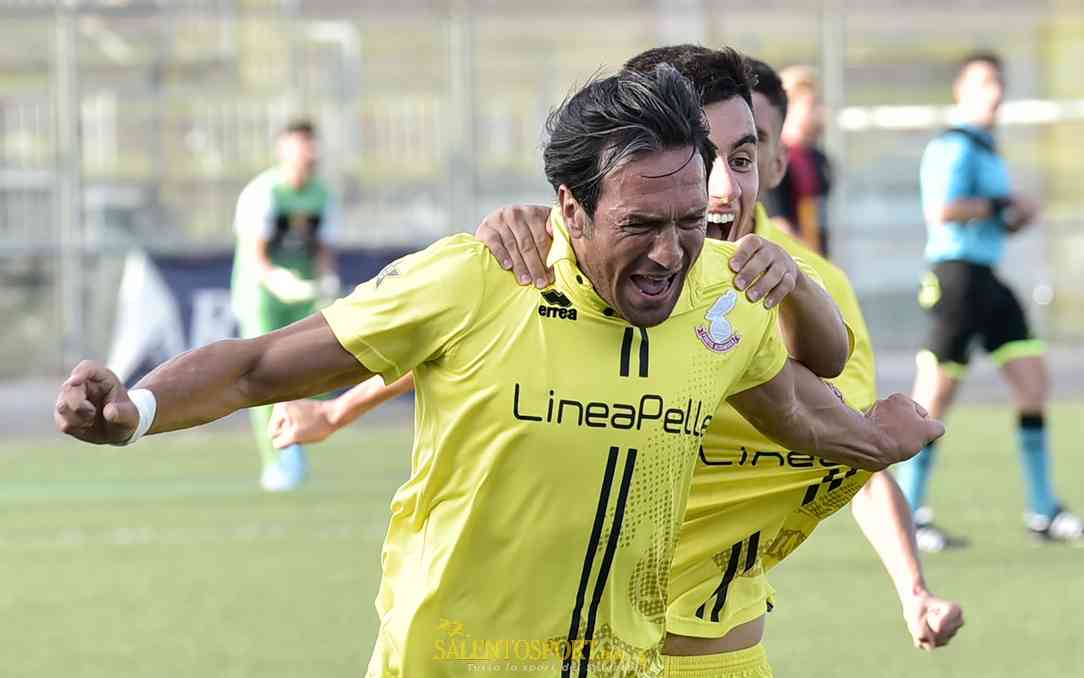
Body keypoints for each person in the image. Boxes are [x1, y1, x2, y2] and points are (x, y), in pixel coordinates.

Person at [55, 64, 943, 678]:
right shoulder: (477, 277)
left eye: (685, 219)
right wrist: (132, 408)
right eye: (641, 224)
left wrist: (878, 438)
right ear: (570, 207)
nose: (672, 252)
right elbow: (256, 368)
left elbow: (797, 411)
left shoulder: (720, 302)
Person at [896, 51, 1083, 551]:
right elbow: (943, 211)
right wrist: (1001, 205)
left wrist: (1017, 215)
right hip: (956, 280)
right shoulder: (952, 147)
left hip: (989, 281)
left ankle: (1043, 509)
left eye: (997, 82)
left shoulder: (988, 149)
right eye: (982, 83)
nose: (993, 92)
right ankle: (909, 511)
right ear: (960, 90)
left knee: (1032, 381)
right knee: (933, 397)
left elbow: (993, 217)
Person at [230, 118, 341, 492]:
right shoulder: (263, 193)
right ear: (282, 151)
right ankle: (279, 459)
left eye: (311, 145)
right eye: (298, 145)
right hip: (263, 296)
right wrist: (279, 280)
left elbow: (323, 250)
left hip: (302, 294)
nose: (307, 154)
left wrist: (325, 281)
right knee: (264, 378)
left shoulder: (322, 195)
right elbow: (256, 257)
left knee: (315, 369)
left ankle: (300, 430)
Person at [761, 65, 833, 257]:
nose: (820, 113)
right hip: (788, 258)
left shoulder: (818, 159)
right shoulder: (774, 160)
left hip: (816, 254)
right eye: (812, 106)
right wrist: (808, 259)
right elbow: (777, 223)